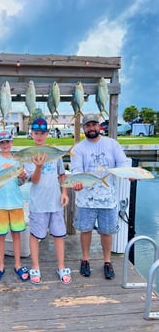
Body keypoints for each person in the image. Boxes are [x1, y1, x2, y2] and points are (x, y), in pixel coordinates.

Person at [71, 113, 130, 279]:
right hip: (85, 199)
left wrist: (129, 173)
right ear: (83, 128)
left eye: (94, 124)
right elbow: (76, 170)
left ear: (99, 126)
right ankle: (85, 259)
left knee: (107, 232)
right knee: (85, 230)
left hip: (108, 198)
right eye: (88, 125)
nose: (91, 128)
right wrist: (76, 182)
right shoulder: (78, 148)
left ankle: (107, 261)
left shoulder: (112, 144)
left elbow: (123, 164)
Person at [24, 118, 72, 285]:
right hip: (38, 203)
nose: (39, 136)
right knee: (35, 235)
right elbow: (34, 180)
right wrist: (38, 166)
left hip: (56, 203)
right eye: (36, 133)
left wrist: (64, 192)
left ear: (47, 134)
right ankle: (35, 266)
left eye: (42, 133)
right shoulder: (29, 154)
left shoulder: (54, 152)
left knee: (59, 235)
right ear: (31, 134)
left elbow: (62, 175)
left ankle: (61, 266)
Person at [0, 130, 29, 284]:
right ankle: (0, 265)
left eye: (8, 142)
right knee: (0, 236)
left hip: (16, 202)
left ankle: (18, 264)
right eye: (2, 142)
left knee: (17, 234)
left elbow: (20, 182)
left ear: (12, 142)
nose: (5, 145)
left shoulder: (18, 160)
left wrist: (22, 178)